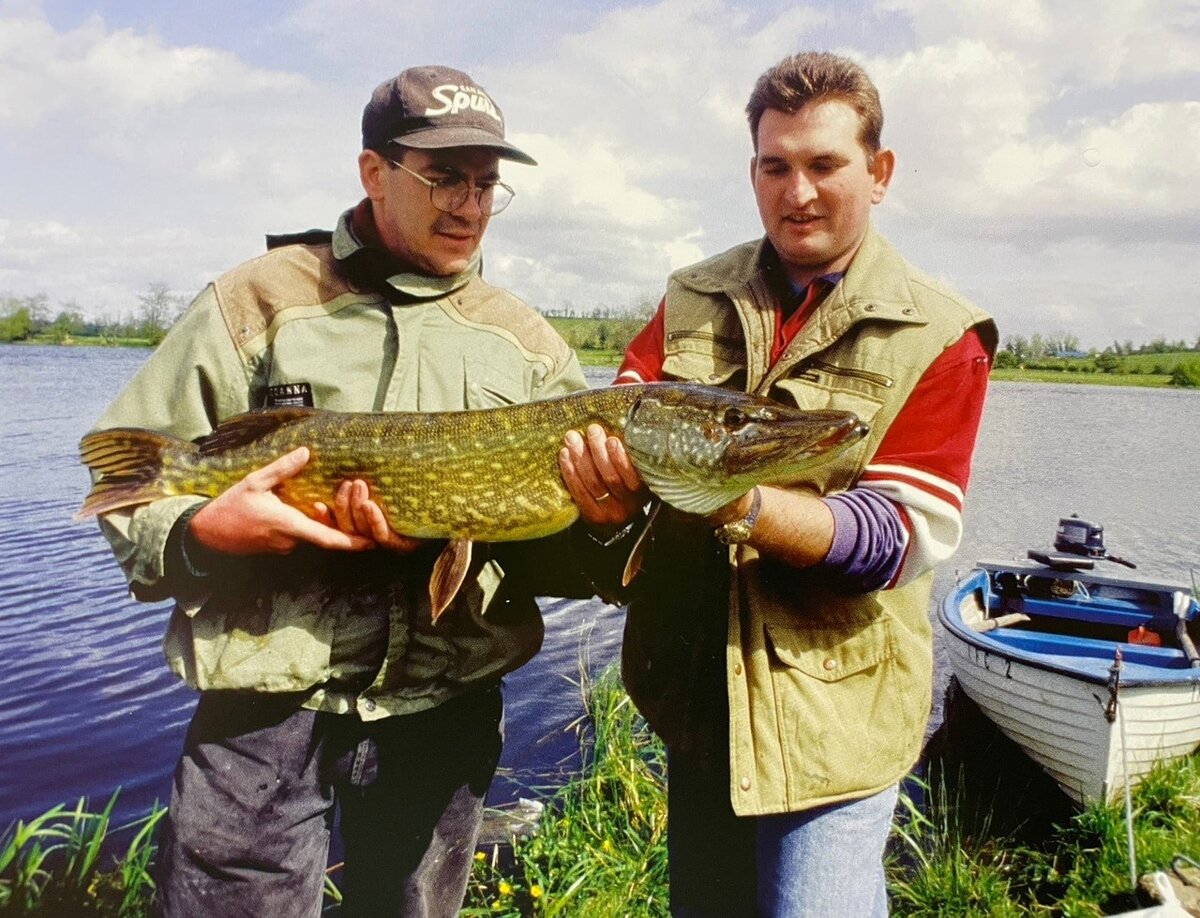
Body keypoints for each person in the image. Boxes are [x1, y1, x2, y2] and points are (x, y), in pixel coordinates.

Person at [89, 65, 594, 918]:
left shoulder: (529, 345)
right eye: (443, 179)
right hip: (264, 706)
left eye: (485, 184)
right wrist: (205, 534)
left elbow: (559, 550)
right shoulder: (258, 299)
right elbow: (123, 479)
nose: (469, 205)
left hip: (445, 702)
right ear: (373, 172)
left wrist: (600, 523)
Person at [559, 51, 997, 916]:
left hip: (837, 718)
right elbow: (617, 429)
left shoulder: (941, 333)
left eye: (824, 165)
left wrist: (735, 501)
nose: (798, 192)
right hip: (695, 698)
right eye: (776, 166)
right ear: (754, 171)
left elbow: (891, 537)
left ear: (879, 173)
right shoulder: (691, 296)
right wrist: (606, 499)